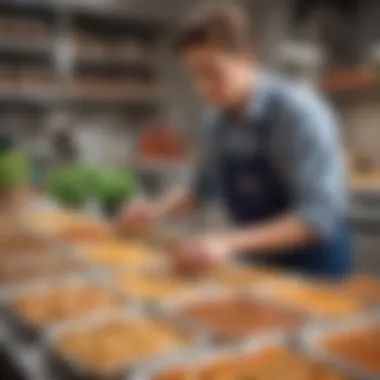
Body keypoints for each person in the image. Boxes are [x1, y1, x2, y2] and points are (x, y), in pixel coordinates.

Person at [122, 4, 350, 278]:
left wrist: (226, 242)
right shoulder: (216, 123)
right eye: (195, 76)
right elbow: (199, 189)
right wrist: (154, 211)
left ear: (247, 58)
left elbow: (318, 217)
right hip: (260, 266)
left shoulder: (299, 115)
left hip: (316, 272)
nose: (203, 88)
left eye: (213, 73)